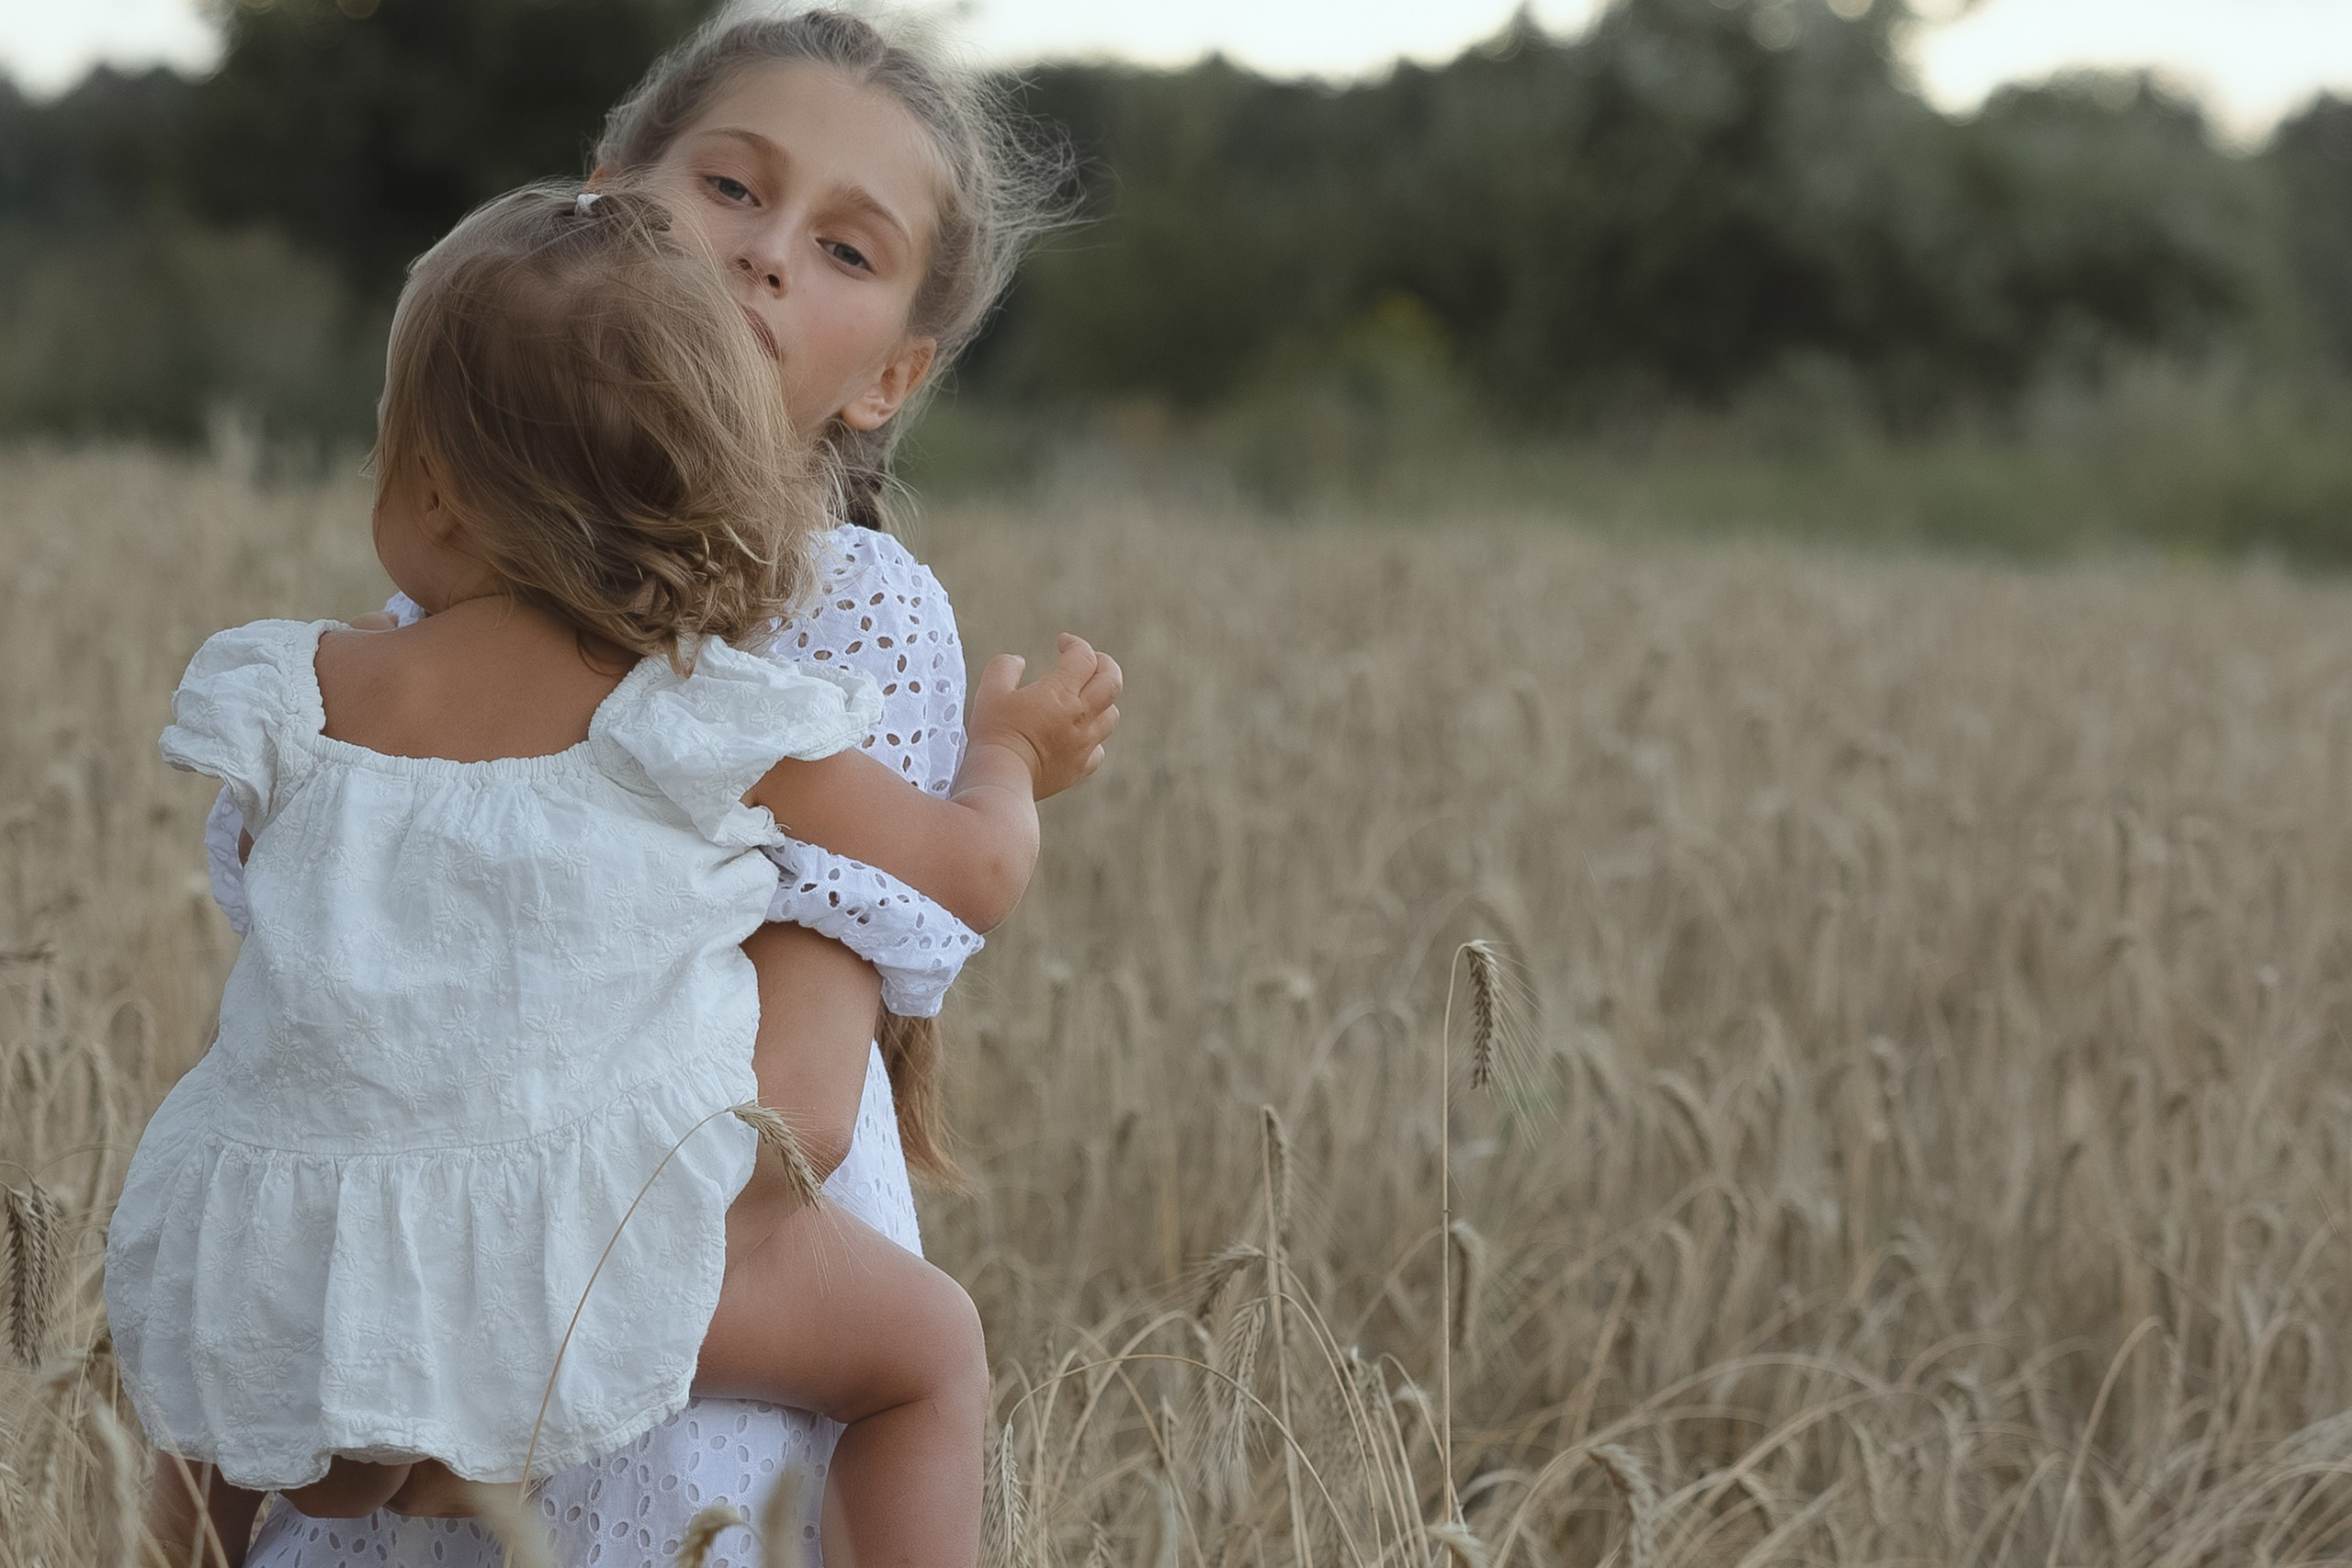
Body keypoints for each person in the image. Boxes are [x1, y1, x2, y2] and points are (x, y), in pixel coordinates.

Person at [109, 179, 1117, 1568]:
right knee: (928, 1351)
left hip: (302, 1278)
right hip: (589, 1265)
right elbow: (973, 873)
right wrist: (1007, 752)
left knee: (196, 1379)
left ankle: (237, 1522)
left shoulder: (300, 689)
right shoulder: (693, 715)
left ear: (437, 496)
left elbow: (273, 895)